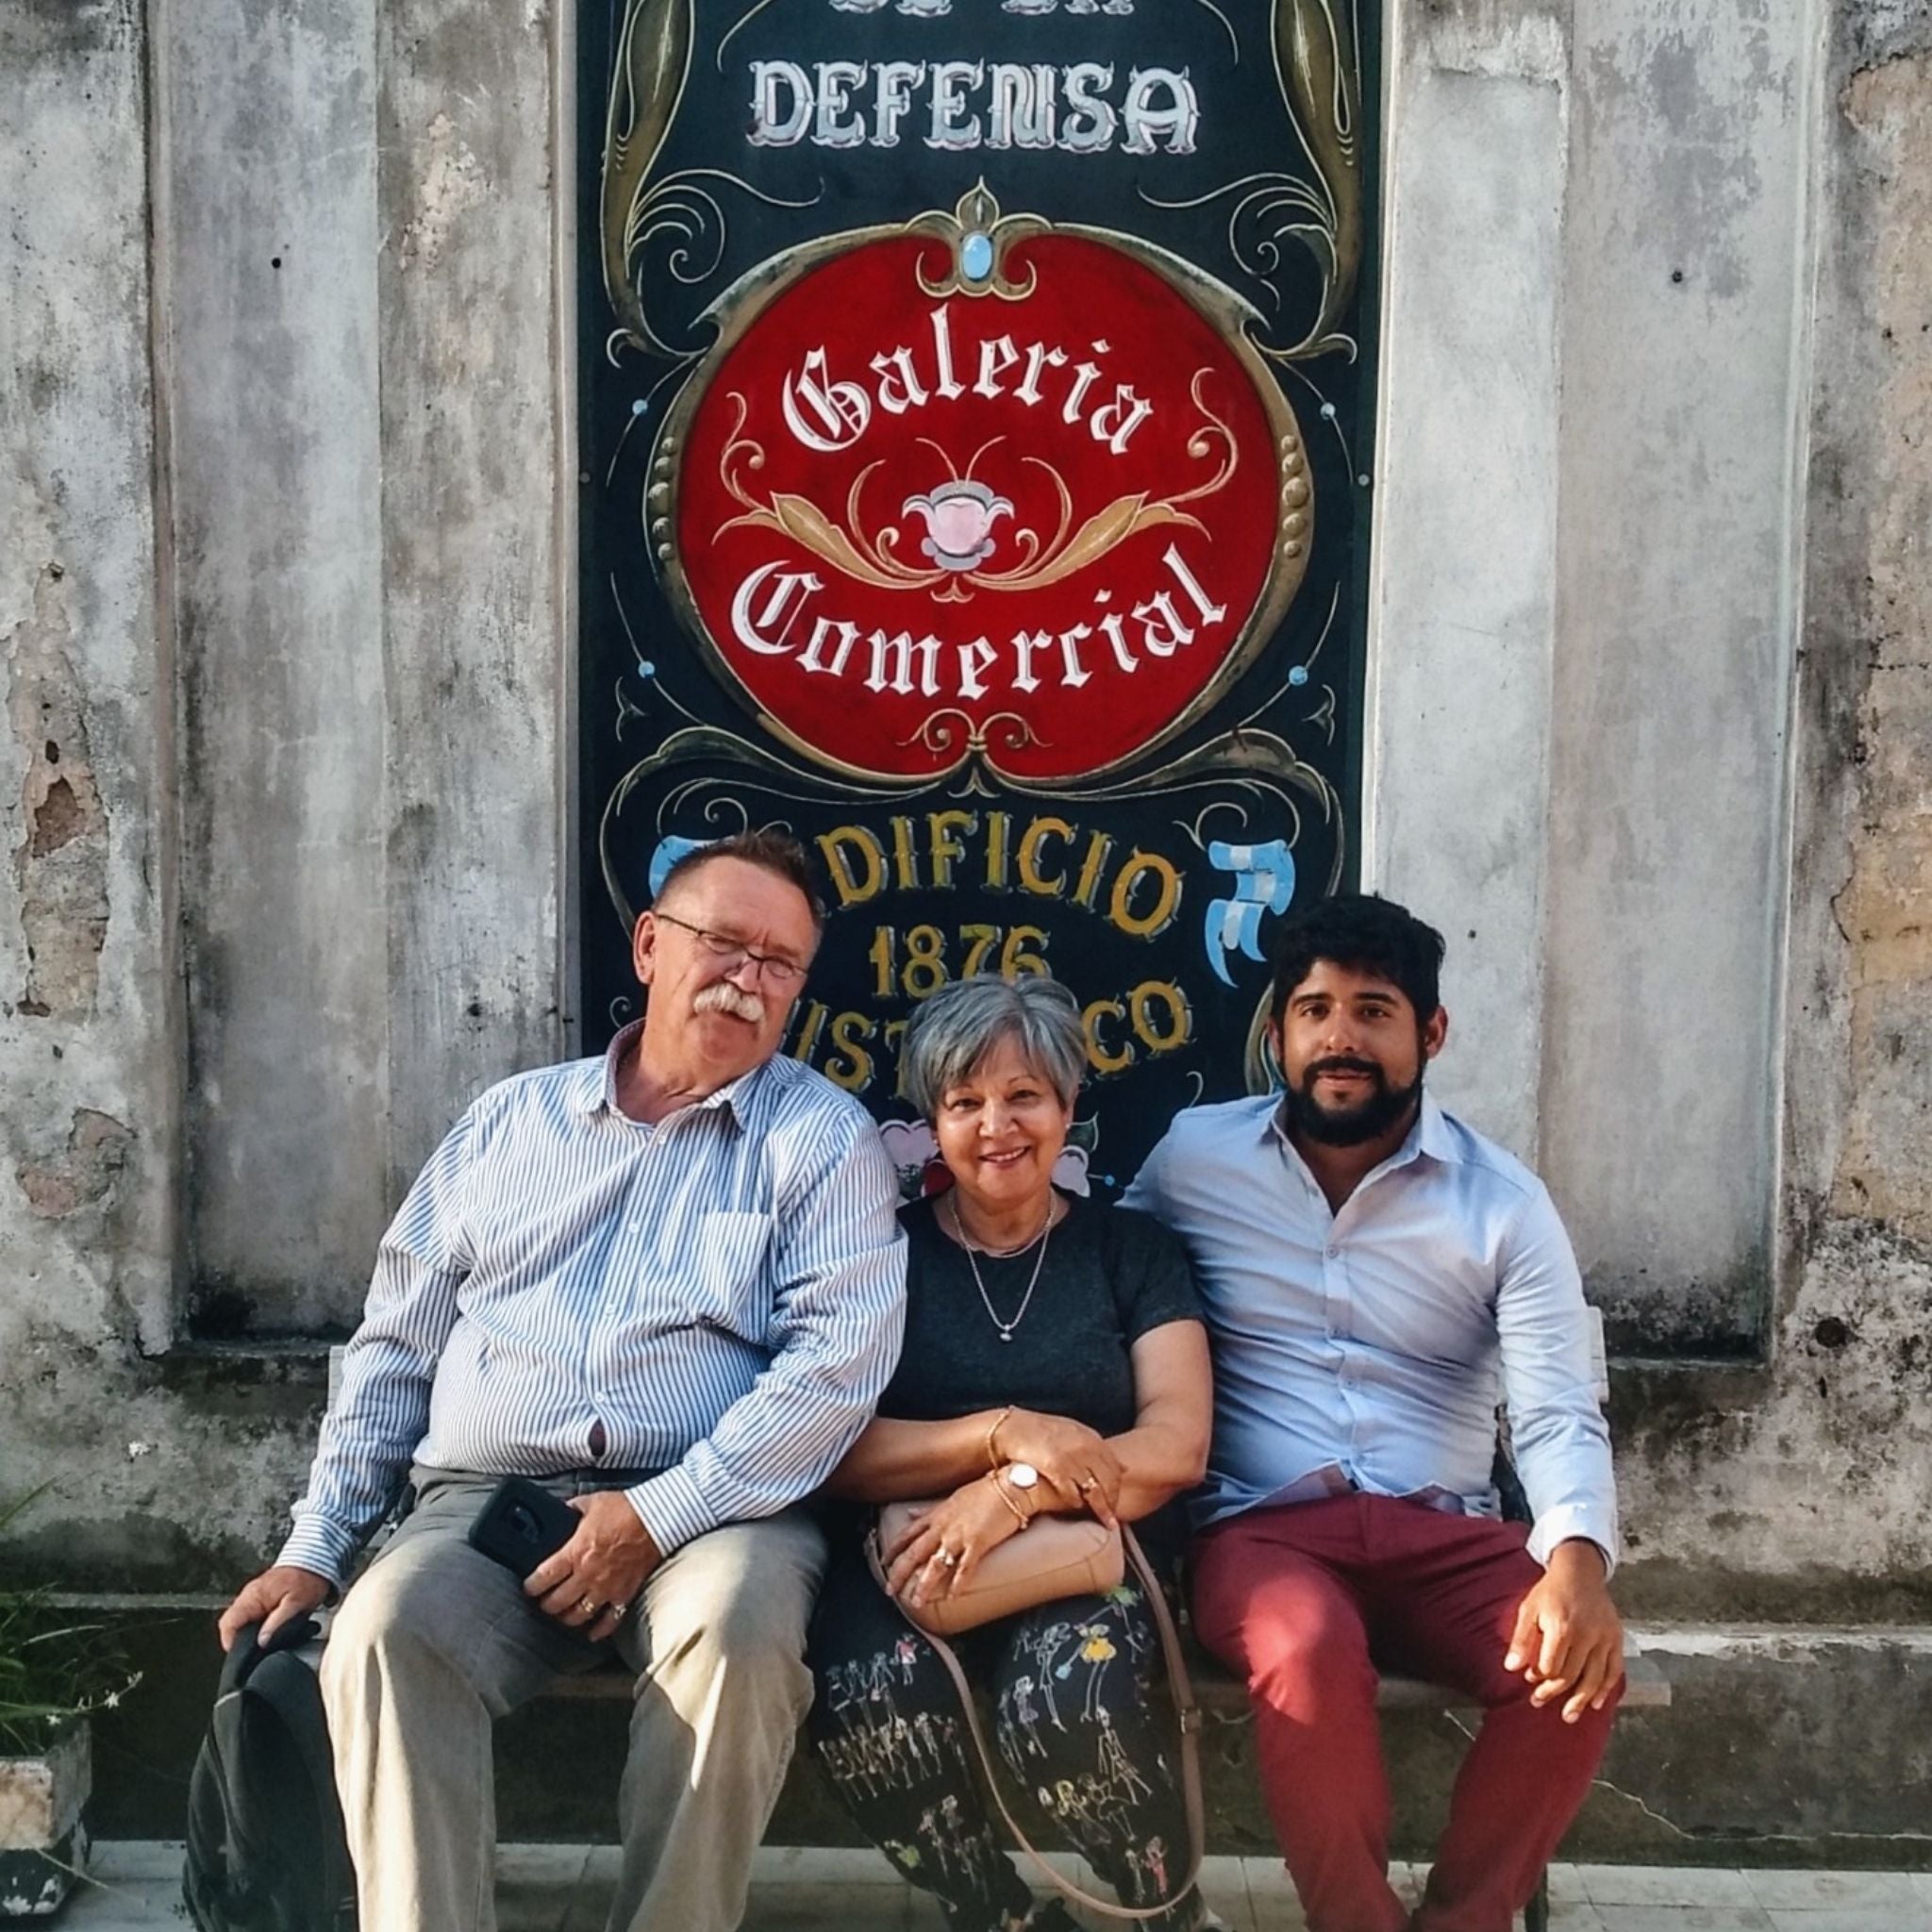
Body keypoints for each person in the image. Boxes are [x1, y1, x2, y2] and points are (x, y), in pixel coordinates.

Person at [215, 829, 907, 1932]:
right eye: (724, 942)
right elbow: (396, 1344)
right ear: (649, 944)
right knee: (383, 1626)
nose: (746, 977)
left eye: (779, 962)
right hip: (486, 1503)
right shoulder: (508, 1123)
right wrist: (318, 1544)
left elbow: (832, 1372)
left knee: (734, 1632)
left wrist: (654, 1512)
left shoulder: (820, 1140)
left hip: (716, 1508)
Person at [1122, 894, 1624, 1932]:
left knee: (1571, 1664)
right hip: (1263, 1533)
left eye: (1373, 1010)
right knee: (1304, 1647)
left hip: (1445, 1534)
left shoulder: (1502, 1204)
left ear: (1430, 1032)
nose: (1339, 1038)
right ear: (1277, 1034)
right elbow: (1106, 1289)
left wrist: (1576, 1558)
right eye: (1314, 1010)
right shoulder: (1193, 1162)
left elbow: (1555, 1407)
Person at [806, 974, 1216, 1932]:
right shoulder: (881, 1254)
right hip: (905, 1555)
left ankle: (1163, 1905)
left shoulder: (1132, 1251)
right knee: (868, 1699)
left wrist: (1015, 1492)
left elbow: (1175, 1443)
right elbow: (829, 1444)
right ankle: (993, 1912)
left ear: (1067, 1106)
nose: (996, 1125)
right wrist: (1001, 1431)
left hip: (1085, 1553)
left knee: (1069, 1698)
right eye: (964, 1102)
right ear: (932, 1123)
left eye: (1023, 1095)